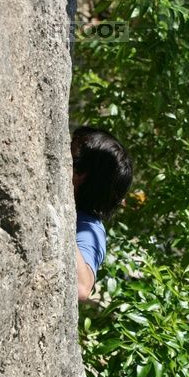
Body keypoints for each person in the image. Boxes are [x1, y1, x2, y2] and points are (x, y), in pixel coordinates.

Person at [72, 126, 133, 301]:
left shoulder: (89, 228)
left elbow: (82, 287)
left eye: (71, 152)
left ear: (80, 174)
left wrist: (63, 223)